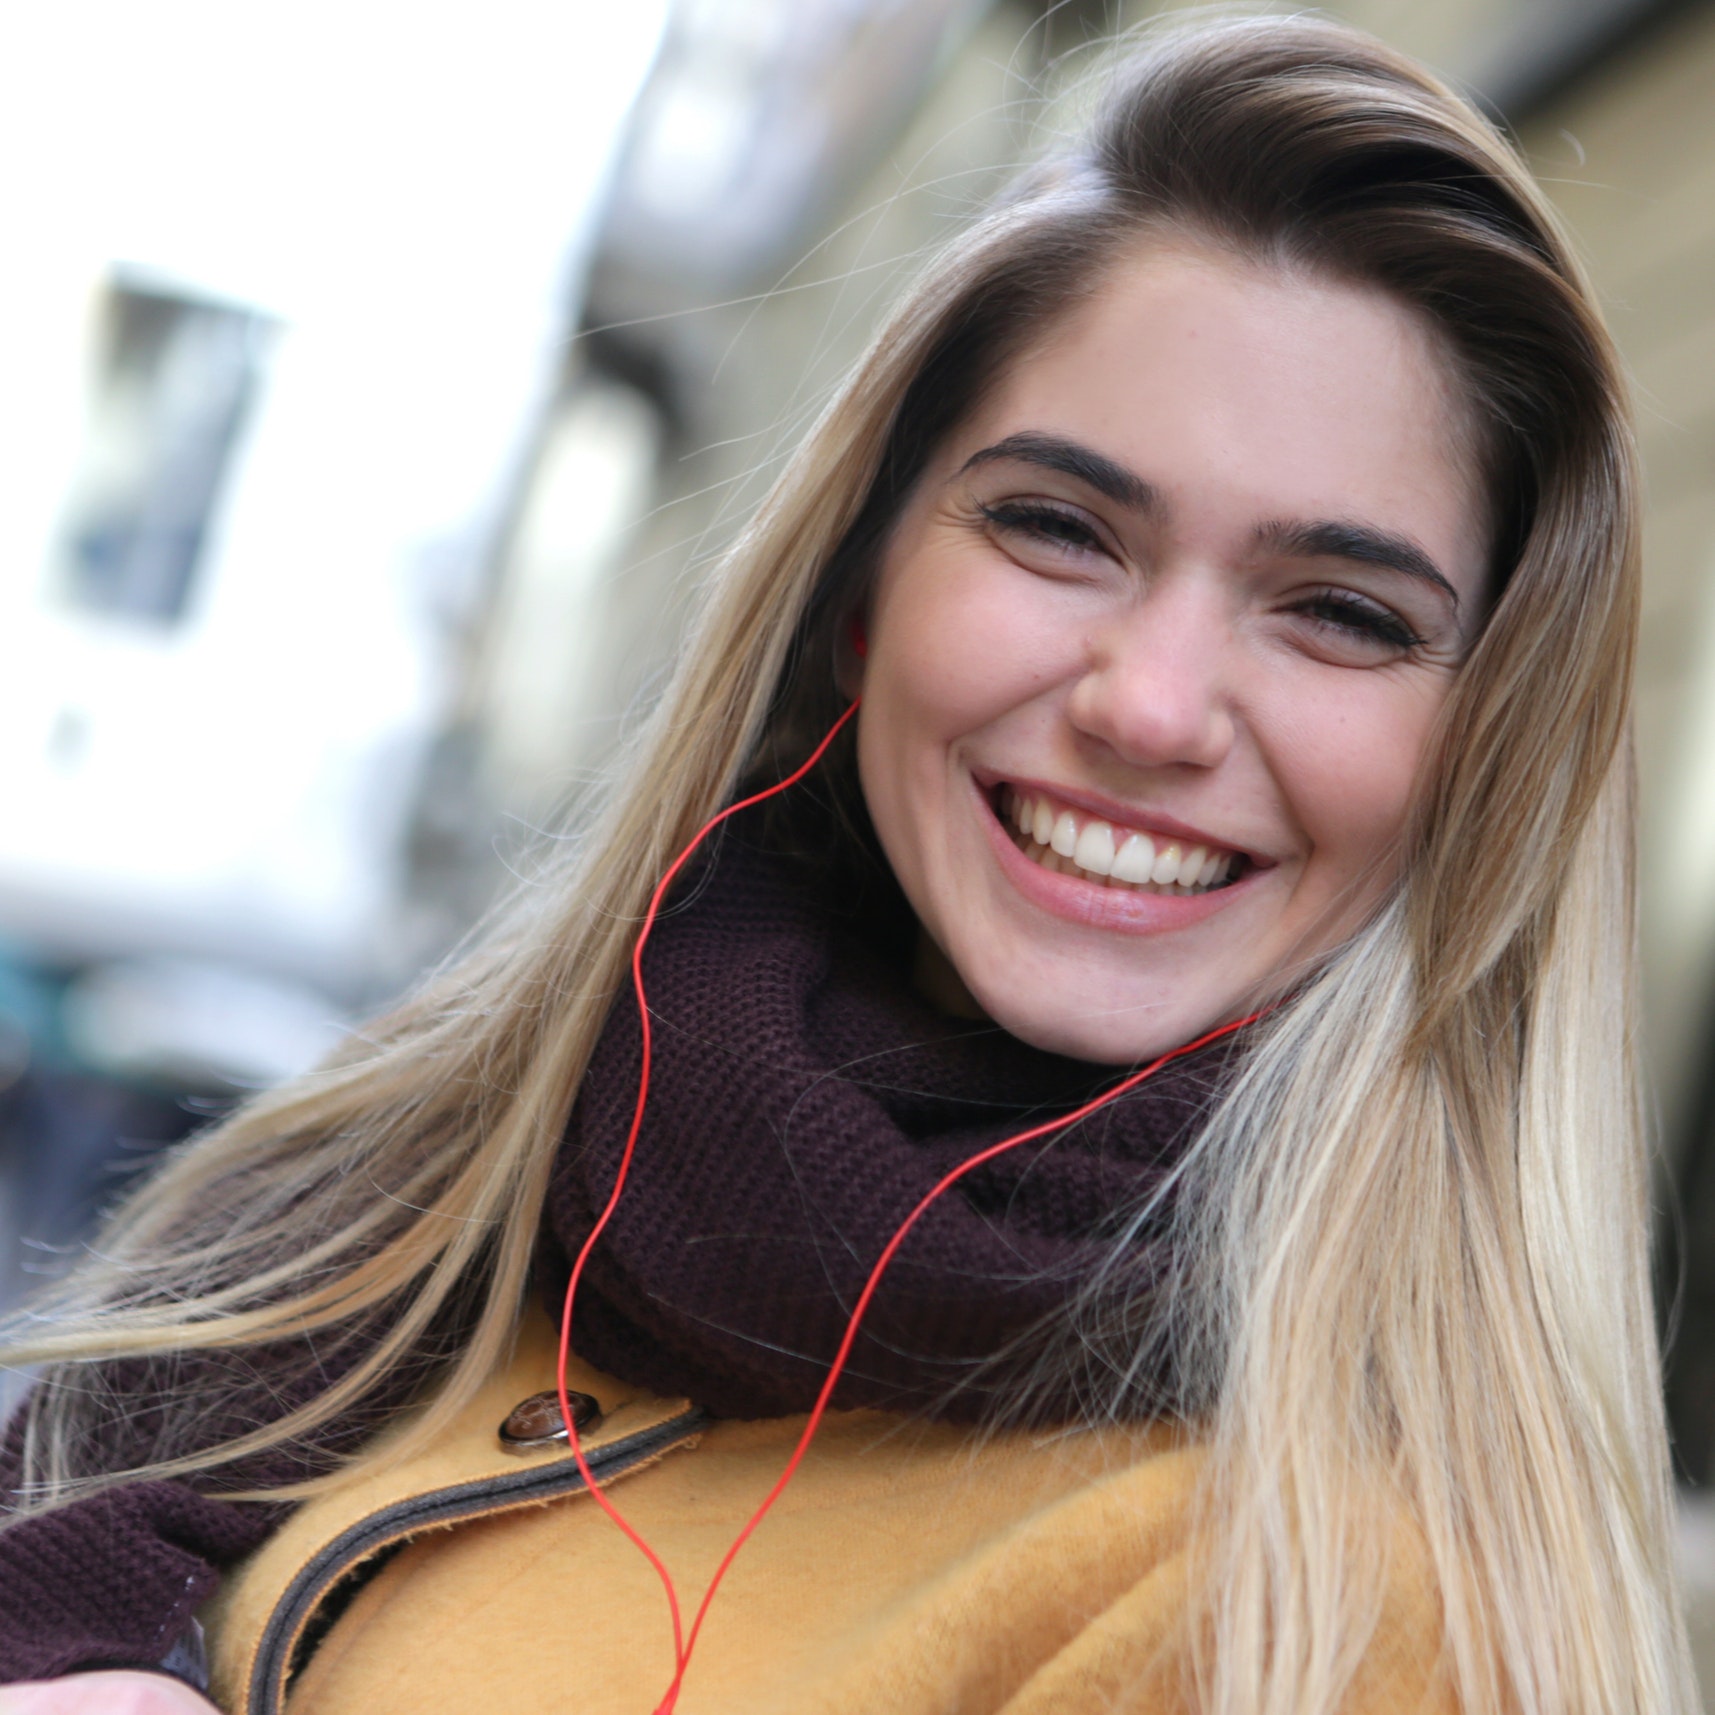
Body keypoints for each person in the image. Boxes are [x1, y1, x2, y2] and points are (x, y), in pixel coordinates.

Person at [0, 14, 1697, 1713]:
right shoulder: (425, 1197)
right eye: (1059, 526)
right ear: (861, 589)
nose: (1153, 707)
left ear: (1488, 760)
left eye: (1341, 612)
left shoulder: (1328, 1614)